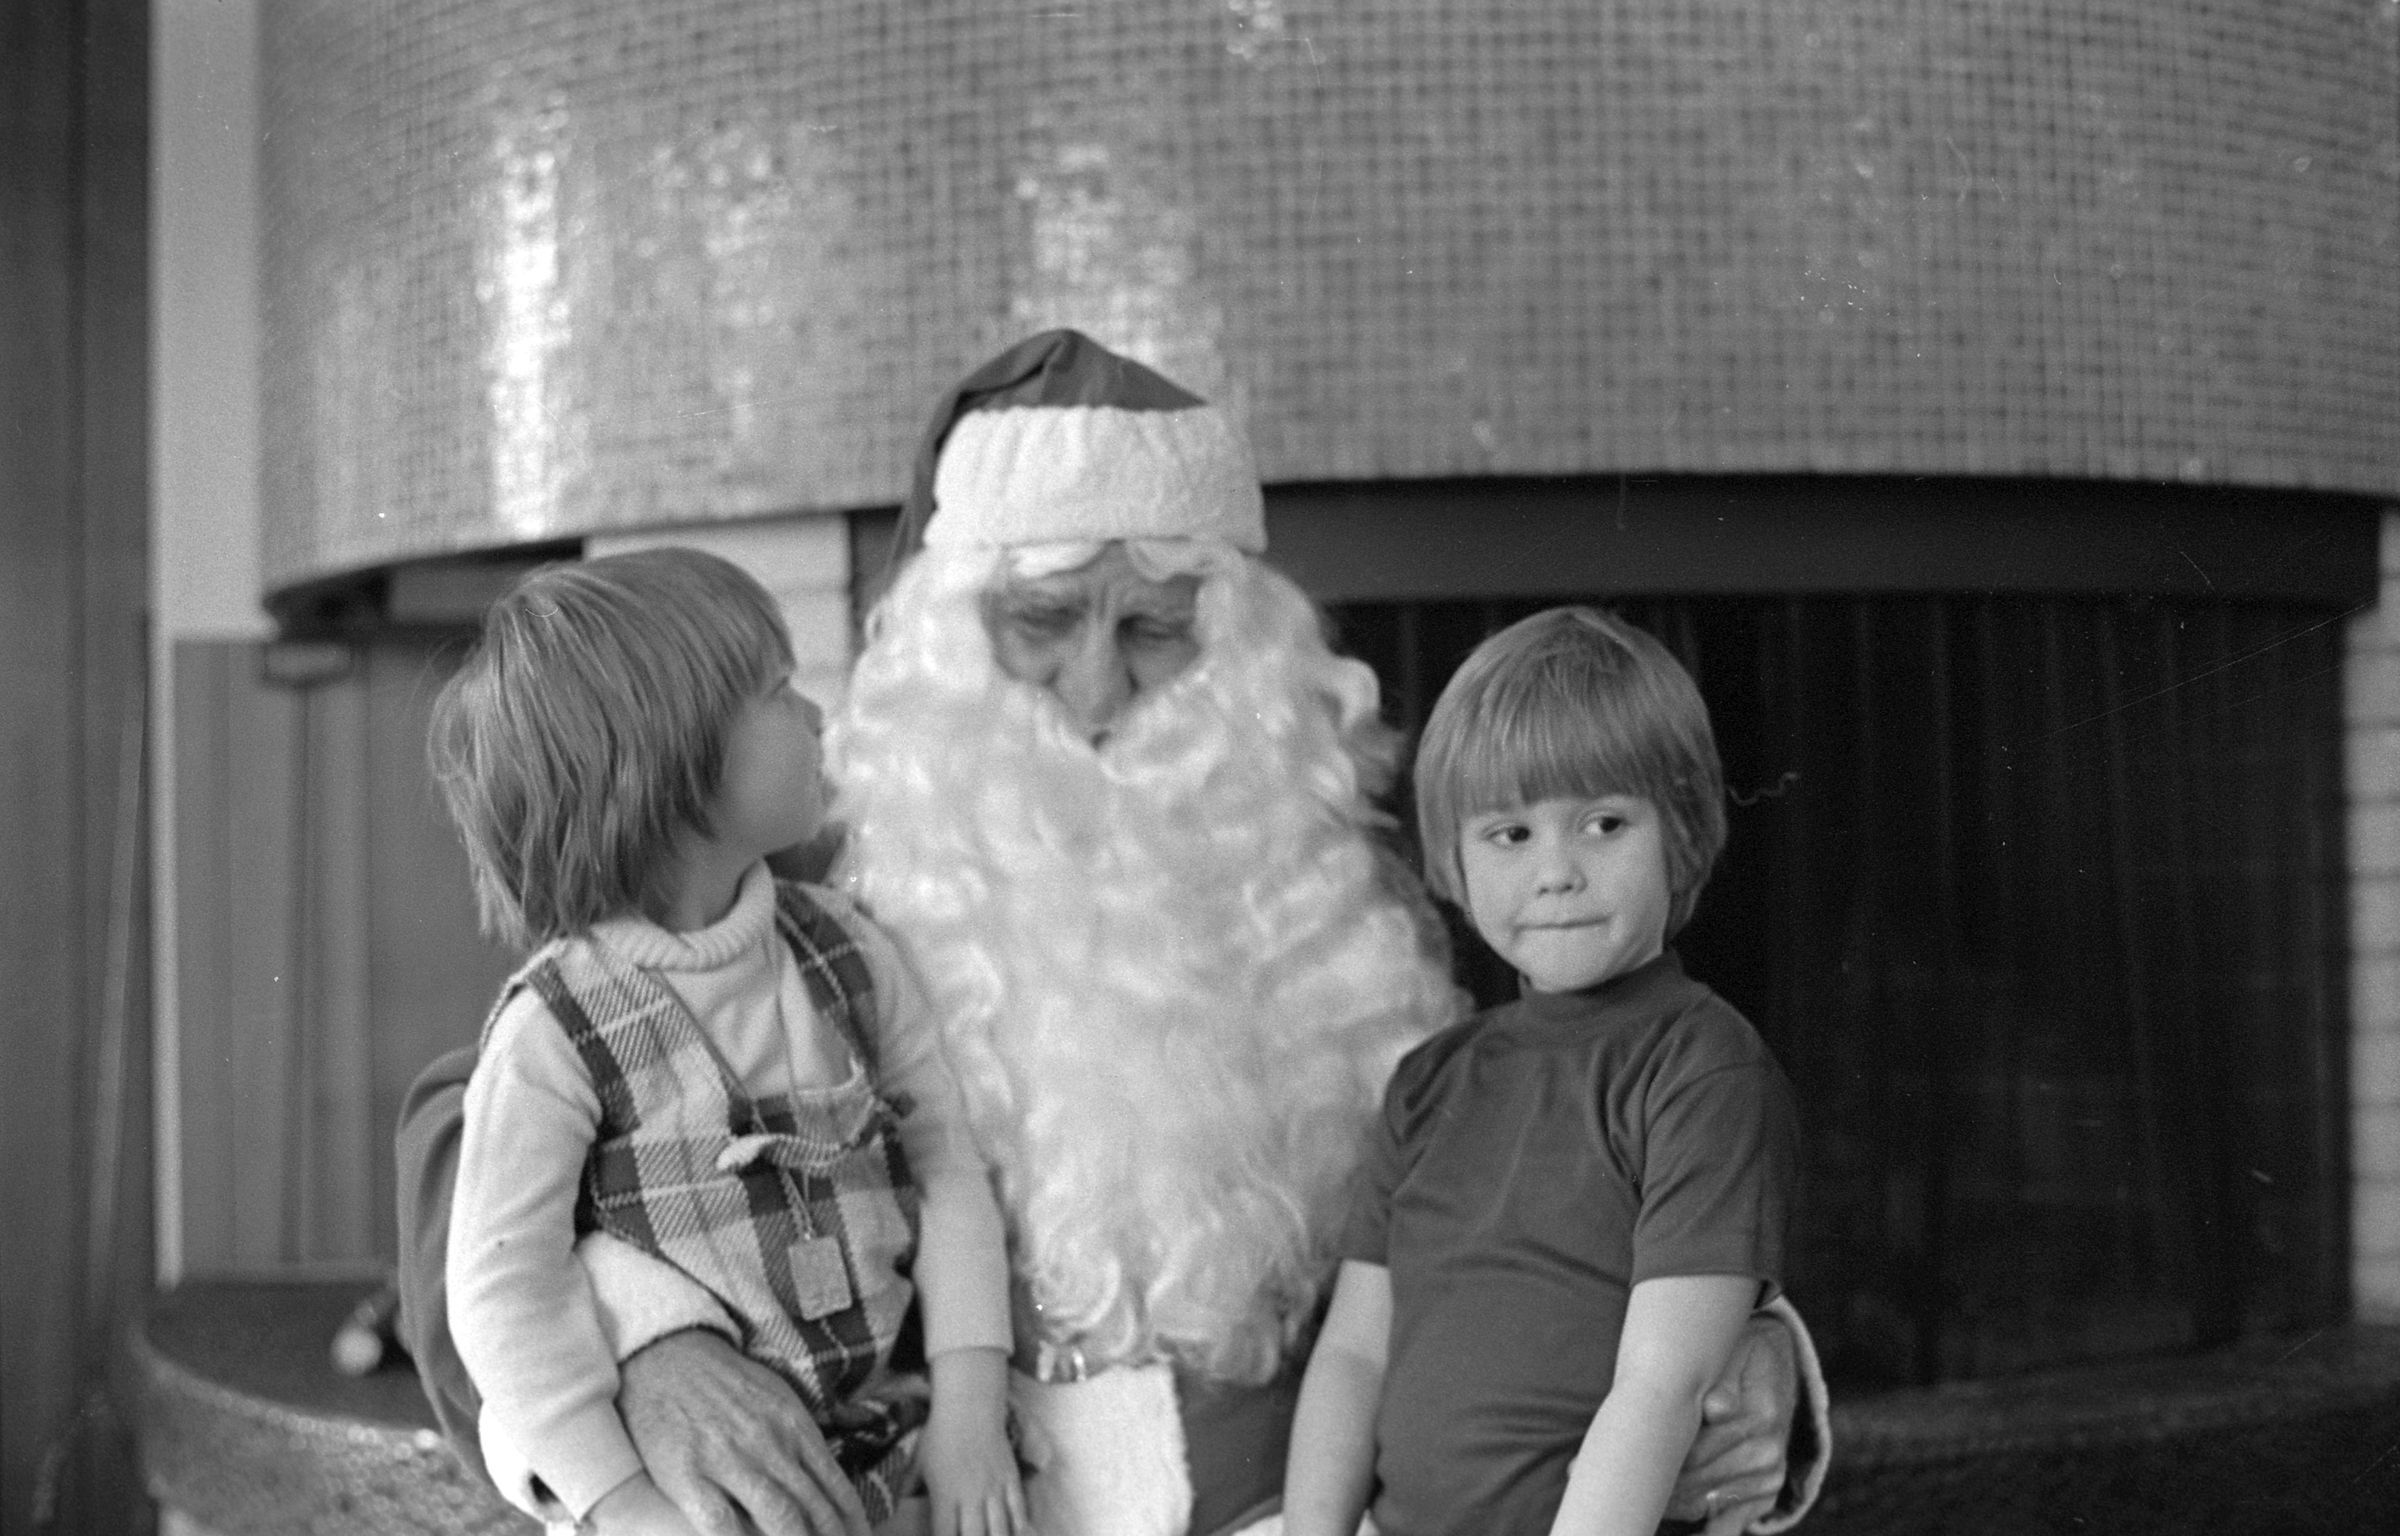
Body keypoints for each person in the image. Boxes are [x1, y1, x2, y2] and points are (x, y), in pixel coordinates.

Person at [396, 332, 1829, 1536]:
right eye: (1043, 623)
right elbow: (474, 1135)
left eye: (1154, 629)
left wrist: (1754, 1344)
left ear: (1247, 650)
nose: (1098, 695)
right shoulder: (830, 890)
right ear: (949, 640)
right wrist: (651, 1343)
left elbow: (1577, 1149)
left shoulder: (1341, 898)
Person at [424, 548, 1024, 1536]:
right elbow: (504, 1292)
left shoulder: (852, 952)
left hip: (883, 1455)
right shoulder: (554, 1032)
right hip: (686, 1506)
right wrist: (622, 1505)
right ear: (670, 760)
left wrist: (970, 1416)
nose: (818, 716)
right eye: (780, 692)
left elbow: (948, 1169)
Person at [1283, 608, 1800, 1536]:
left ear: (1682, 833)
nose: (1556, 871)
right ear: (1453, 860)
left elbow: (1663, 1385)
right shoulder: (1428, 1082)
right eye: (1511, 834)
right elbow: (1355, 1354)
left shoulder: (1702, 1068)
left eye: (1603, 823)